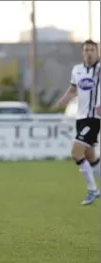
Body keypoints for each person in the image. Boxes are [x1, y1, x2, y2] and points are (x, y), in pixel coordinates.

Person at [56, 39, 100, 205]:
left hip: (94, 119)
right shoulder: (77, 70)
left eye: (92, 50)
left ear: (97, 52)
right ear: (83, 52)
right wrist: (64, 99)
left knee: (76, 153)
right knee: (90, 156)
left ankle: (92, 189)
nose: (89, 52)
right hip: (80, 118)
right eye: (86, 50)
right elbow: (74, 89)